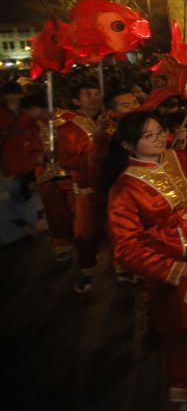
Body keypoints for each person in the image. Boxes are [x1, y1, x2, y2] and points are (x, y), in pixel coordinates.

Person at [102, 111, 187, 404]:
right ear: (128, 145)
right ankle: (180, 379)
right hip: (168, 259)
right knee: (176, 327)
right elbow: (125, 247)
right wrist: (175, 268)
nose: (158, 139)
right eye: (148, 136)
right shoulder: (124, 188)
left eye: (160, 131)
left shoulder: (183, 158)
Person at [45, 81, 102, 293]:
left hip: (111, 184)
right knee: (84, 233)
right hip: (84, 187)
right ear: (76, 101)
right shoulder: (68, 128)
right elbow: (65, 160)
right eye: (88, 94)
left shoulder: (107, 121)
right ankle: (88, 272)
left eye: (97, 93)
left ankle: (123, 269)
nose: (95, 98)